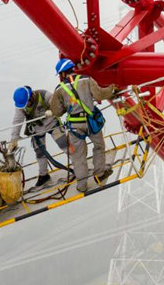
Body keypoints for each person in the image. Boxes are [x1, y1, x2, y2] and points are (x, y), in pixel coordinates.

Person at [49, 59, 118, 192]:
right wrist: (112, 89)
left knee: (78, 155)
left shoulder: (59, 89)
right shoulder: (86, 79)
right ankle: (99, 174)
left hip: (75, 126)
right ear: (72, 69)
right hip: (91, 122)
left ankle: (82, 185)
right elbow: (100, 94)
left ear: (62, 73)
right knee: (99, 146)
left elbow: (57, 111)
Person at [10, 85, 69, 189]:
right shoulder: (21, 105)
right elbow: (17, 121)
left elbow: (56, 102)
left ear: (31, 97)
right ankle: (43, 175)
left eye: (27, 103)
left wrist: (53, 110)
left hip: (52, 123)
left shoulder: (43, 94)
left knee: (64, 143)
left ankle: (78, 164)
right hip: (37, 129)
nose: (25, 105)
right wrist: (14, 138)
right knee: (39, 153)